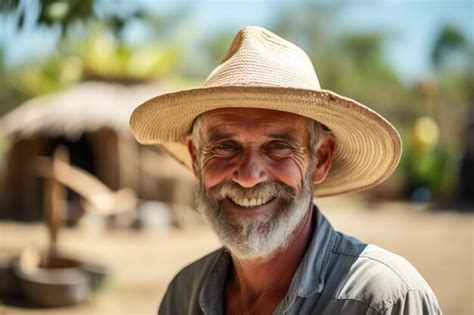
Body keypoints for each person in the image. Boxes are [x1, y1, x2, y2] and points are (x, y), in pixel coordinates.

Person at [130, 26, 440, 315]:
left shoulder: (382, 299)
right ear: (196, 158)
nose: (249, 175)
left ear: (319, 159)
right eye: (225, 146)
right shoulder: (183, 296)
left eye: (278, 147)